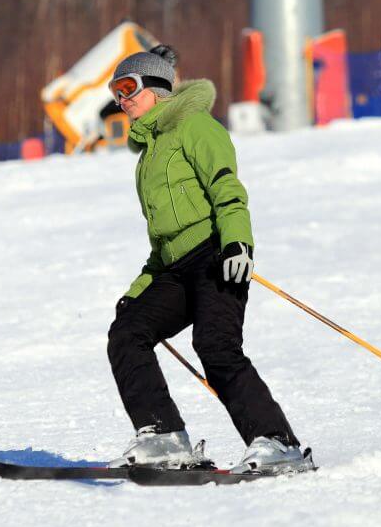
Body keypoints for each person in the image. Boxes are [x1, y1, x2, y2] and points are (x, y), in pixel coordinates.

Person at [104, 45, 310, 474]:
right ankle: (163, 437)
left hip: (217, 254)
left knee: (215, 347)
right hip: (173, 270)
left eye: (128, 88)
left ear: (157, 88)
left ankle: (278, 443)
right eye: (115, 91)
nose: (121, 100)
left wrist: (238, 243)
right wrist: (138, 292)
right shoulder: (148, 157)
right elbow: (162, 240)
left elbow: (226, 187)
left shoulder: (196, 127)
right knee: (127, 332)